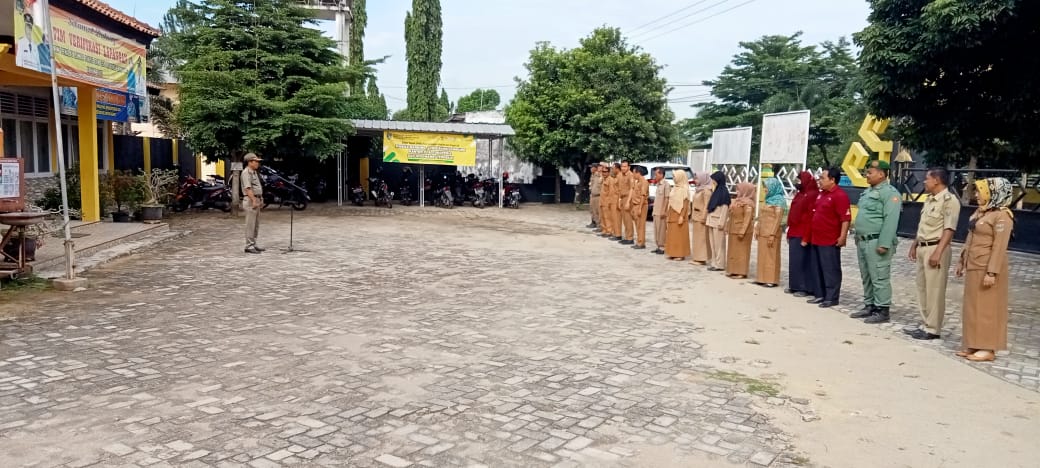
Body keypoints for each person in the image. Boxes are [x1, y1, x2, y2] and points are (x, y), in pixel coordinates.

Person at [955, 177, 1014, 362]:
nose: (976, 194)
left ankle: (988, 348)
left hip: (987, 267)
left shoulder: (1002, 215)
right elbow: (970, 237)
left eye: (980, 191)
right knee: (973, 307)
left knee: (987, 308)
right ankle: (973, 343)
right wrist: (962, 260)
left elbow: (999, 246)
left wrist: (992, 272)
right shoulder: (982, 212)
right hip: (974, 265)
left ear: (993, 193)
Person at [904, 168, 961, 340]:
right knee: (922, 288)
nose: (924, 182)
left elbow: (949, 229)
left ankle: (933, 329)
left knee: (935, 290)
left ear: (936, 180)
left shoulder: (949, 201)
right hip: (923, 246)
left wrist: (938, 252)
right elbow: (923, 226)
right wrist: (914, 244)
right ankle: (925, 324)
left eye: (927, 179)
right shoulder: (929, 200)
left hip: (936, 247)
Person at [850, 160, 903, 324]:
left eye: (870, 172)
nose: (867, 174)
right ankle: (869, 305)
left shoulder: (890, 193)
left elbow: (891, 220)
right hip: (864, 240)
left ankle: (882, 309)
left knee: (879, 276)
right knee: (866, 275)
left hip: (877, 241)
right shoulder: (868, 192)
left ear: (881, 174)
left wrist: (884, 243)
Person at [805, 167, 851, 308]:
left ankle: (831, 297)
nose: (819, 180)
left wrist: (842, 237)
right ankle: (820, 294)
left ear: (832, 180)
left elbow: (845, 219)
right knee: (817, 267)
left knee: (830, 268)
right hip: (817, 238)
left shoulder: (839, 195)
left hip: (829, 239)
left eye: (823, 178)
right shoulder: (822, 194)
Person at [785, 171, 819, 296]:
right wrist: (789, 233)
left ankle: (804, 287)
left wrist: (806, 237)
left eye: (800, 180)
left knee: (803, 261)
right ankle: (794, 285)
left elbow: (810, 217)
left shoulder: (812, 194)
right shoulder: (800, 194)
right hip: (794, 230)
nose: (798, 183)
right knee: (794, 260)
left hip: (803, 231)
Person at [755, 169, 787, 287]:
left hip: (772, 233)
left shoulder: (779, 201)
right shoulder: (768, 200)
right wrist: (757, 227)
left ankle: (771, 279)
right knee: (762, 255)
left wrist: (772, 234)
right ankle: (761, 278)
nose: (765, 189)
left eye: (767, 187)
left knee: (771, 256)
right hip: (763, 232)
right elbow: (761, 216)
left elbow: (778, 220)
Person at [725, 182, 756, 278]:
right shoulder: (737, 201)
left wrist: (742, 231)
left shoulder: (748, 204)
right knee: (733, 251)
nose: (736, 191)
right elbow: (731, 216)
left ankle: (741, 272)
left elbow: (747, 219)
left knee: (742, 252)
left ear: (745, 190)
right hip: (733, 229)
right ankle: (733, 269)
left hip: (743, 232)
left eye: (739, 189)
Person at [706, 171, 731, 271]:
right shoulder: (715, 191)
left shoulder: (724, 192)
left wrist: (722, 222)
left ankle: (720, 264)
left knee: (719, 245)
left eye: (714, 180)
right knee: (713, 244)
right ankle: (714, 262)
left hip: (718, 222)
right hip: (711, 221)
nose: (713, 181)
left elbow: (725, 209)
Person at [664, 169, 691, 260]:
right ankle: (672, 253)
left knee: (679, 236)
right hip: (672, 214)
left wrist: (682, 216)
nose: (673, 178)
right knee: (672, 235)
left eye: (675, 176)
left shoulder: (684, 189)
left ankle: (680, 254)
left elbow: (686, 204)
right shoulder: (674, 188)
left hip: (679, 215)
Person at [241, 153, 265, 254]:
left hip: (256, 199)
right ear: (250, 162)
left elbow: (257, 188)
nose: (258, 163)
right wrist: (254, 200)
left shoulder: (254, 172)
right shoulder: (246, 173)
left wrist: (260, 199)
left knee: (256, 224)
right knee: (250, 224)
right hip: (251, 200)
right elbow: (248, 188)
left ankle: (253, 243)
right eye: (256, 161)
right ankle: (249, 246)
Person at [690, 172, 713, 265]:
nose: (695, 181)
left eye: (697, 179)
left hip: (701, 217)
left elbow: (707, 205)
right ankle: (697, 257)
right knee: (696, 238)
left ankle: (702, 258)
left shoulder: (706, 191)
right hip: (696, 215)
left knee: (702, 238)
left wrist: (704, 217)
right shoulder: (698, 190)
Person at [651, 168, 671, 255]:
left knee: (661, 230)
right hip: (656, 210)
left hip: (661, 211)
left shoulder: (666, 185)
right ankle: (658, 246)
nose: (655, 176)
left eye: (656, 174)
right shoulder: (658, 184)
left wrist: (664, 210)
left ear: (661, 175)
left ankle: (662, 247)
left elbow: (667, 198)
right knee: (656, 229)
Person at [629, 170, 650, 250]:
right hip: (635, 205)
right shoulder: (637, 182)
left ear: (638, 173)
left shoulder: (644, 182)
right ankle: (639, 241)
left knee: (641, 225)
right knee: (637, 225)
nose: (633, 175)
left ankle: (641, 243)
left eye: (634, 173)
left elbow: (643, 196)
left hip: (641, 205)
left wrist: (640, 208)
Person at [617, 161, 635, 245]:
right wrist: (620, 199)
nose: (623, 168)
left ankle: (630, 238)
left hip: (628, 198)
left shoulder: (630, 175)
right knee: (624, 218)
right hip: (622, 198)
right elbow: (620, 188)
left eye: (625, 166)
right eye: (622, 166)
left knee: (628, 219)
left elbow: (632, 189)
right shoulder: (621, 175)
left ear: (629, 167)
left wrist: (628, 201)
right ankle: (627, 236)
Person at [601, 164, 620, 240]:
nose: (603, 173)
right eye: (603, 171)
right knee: (603, 217)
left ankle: (609, 231)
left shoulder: (610, 180)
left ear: (608, 172)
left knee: (608, 217)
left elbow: (611, 192)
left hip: (607, 201)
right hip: (602, 201)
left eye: (605, 172)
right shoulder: (604, 179)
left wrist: (609, 202)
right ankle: (604, 230)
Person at [588, 164, 603, 230]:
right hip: (593, 195)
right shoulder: (593, 175)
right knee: (593, 210)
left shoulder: (600, 175)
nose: (591, 169)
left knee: (598, 211)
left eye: (592, 167)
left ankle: (600, 225)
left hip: (598, 195)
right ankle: (595, 223)